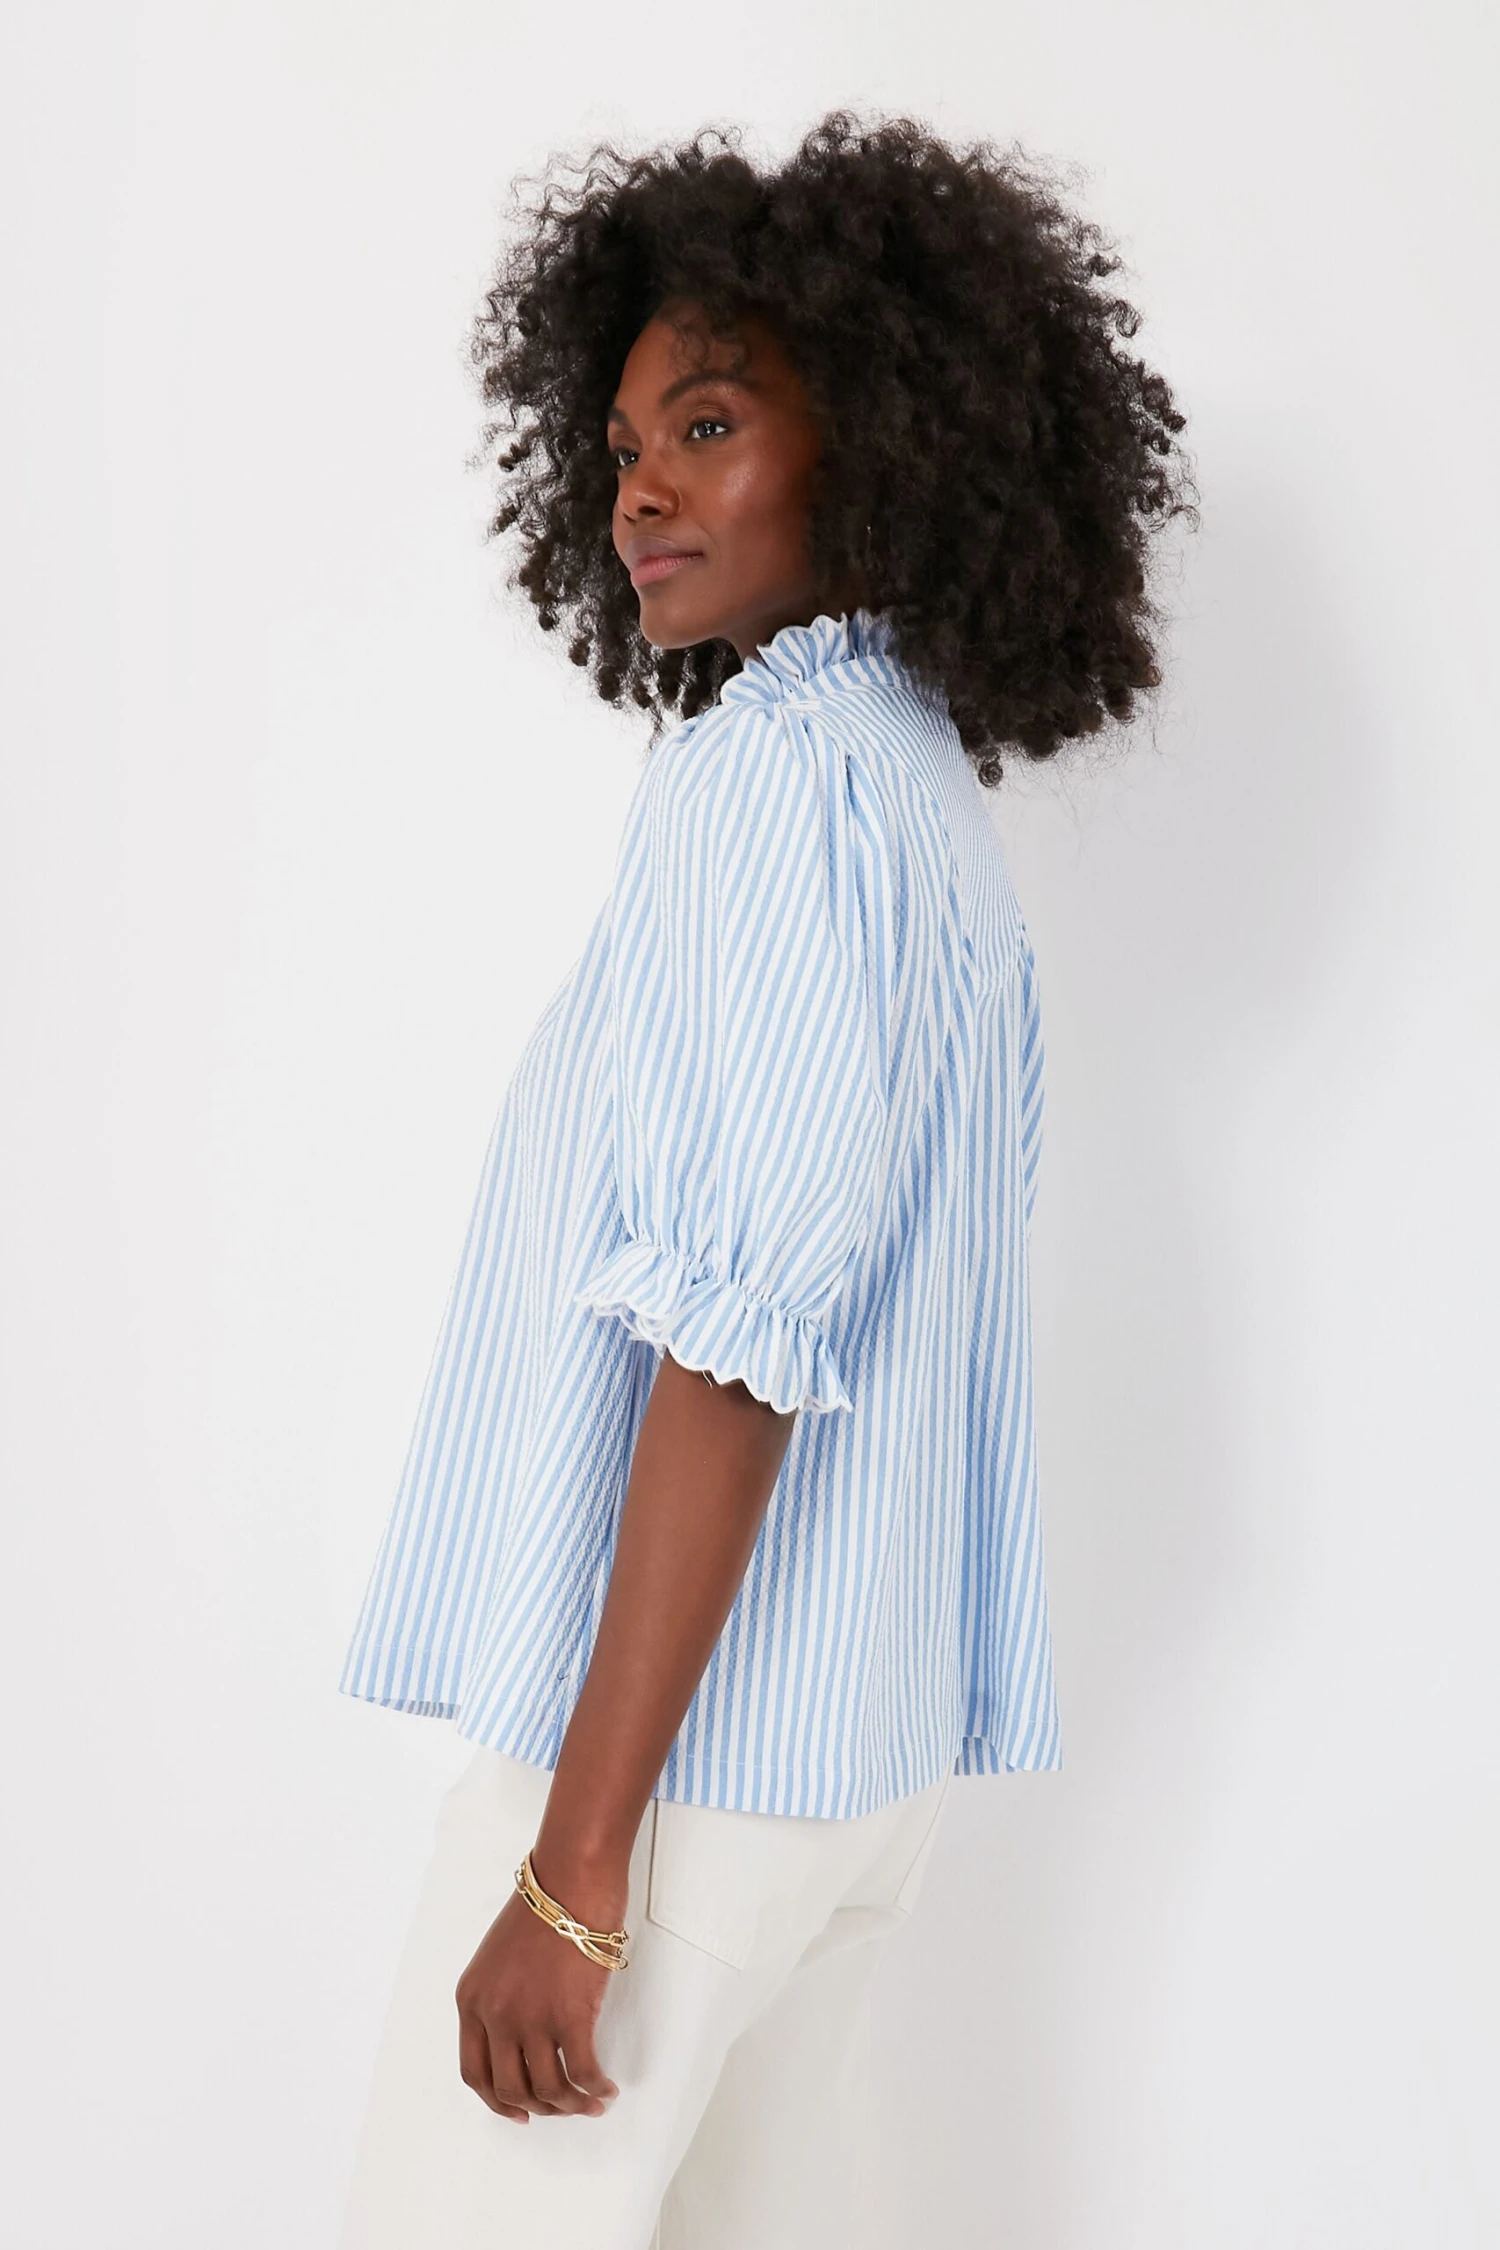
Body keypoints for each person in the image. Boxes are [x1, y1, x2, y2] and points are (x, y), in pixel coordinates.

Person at [336, 109, 1192, 2250]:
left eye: (708, 427)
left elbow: (736, 1345)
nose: (639, 488)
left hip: (678, 1789)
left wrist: (576, 1868)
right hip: (846, 1777)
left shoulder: (775, 789)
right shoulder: (917, 803)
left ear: (881, 447)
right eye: (625, 442)